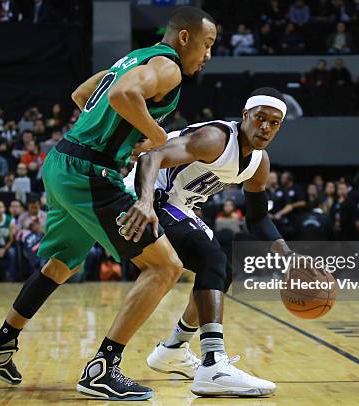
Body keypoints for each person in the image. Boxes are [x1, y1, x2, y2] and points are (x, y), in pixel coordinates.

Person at [0, 7, 217, 401]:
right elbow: (122, 95)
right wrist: (156, 136)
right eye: (206, 45)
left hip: (63, 161)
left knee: (61, 264)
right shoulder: (167, 66)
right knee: (165, 267)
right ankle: (103, 368)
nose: (207, 55)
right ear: (184, 38)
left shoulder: (131, 58)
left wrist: (120, 133)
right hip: (90, 171)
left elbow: (84, 95)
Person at [126, 88, 317, 396]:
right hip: (145, 195)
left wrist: (289, 257)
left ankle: (173, 350)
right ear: (245, 116)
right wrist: (145, 201)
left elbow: (257, 219)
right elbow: (152, 156)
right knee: (212, 260)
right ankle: (213, 363)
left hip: (179, 204)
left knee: (221, 270)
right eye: (260, 119)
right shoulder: (216, 138)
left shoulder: (258, 164)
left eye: (274, 123)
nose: (266, 127)